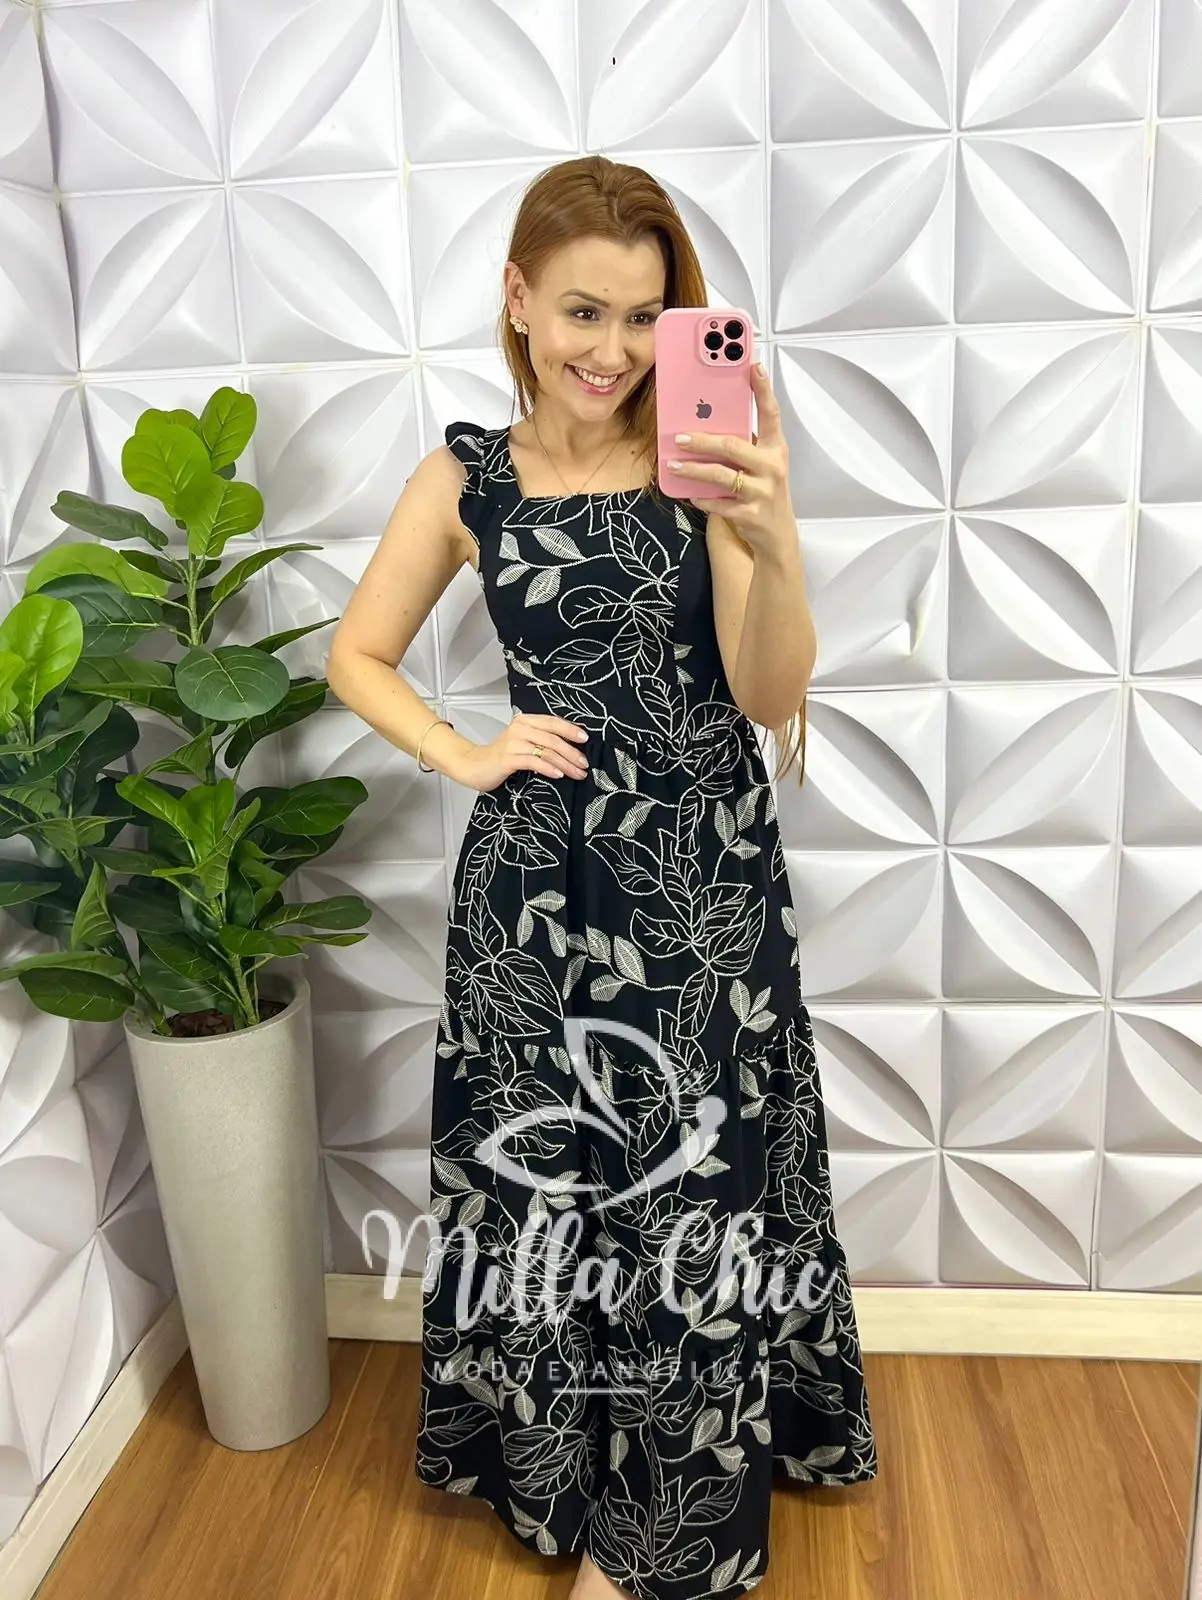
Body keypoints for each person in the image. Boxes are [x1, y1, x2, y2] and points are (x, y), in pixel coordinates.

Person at [326, 154, 876, 1600]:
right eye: (583, 311)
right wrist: (462, 752)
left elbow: (768, 694)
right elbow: (355, 654)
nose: (614, 352)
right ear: (518, 299)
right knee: (546, 1180)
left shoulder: (705, 457)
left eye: (645, 317)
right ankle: (556, 1473)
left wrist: (771, 537)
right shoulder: (466, 478)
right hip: (533, 886)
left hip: (698, 875)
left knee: (692, 1186)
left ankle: (662, 1533)